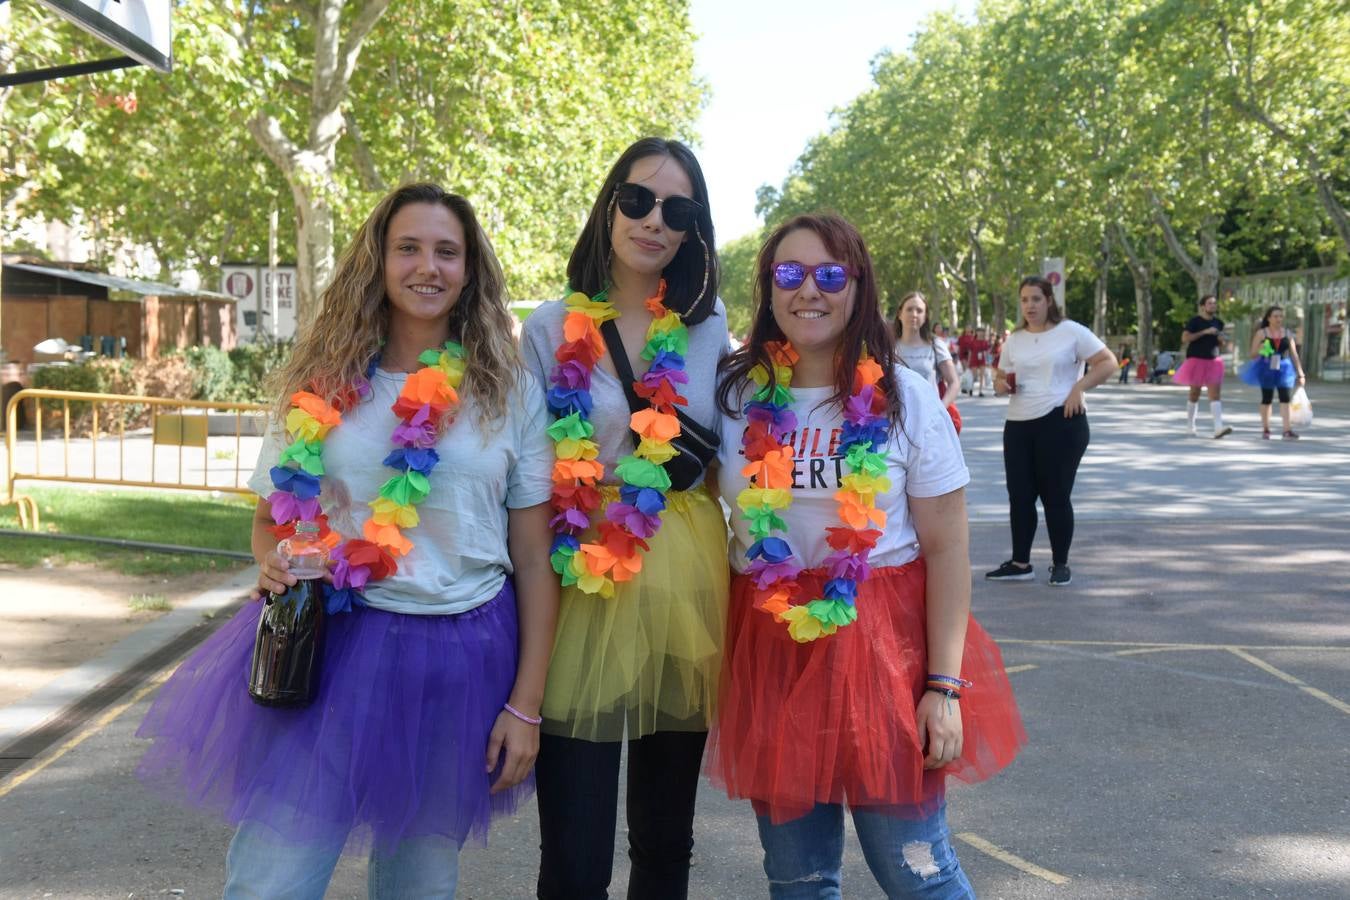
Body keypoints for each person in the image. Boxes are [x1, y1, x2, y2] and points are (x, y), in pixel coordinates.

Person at [136, 183, 559, 897]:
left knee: (420, 883)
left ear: (470, 269)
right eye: (408, 248)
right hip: (332, 646)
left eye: (447, 251)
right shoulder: (322, 380)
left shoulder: (509, 392)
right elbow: (271, 520)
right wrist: (272, 560)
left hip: (460, 658)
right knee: (272, 880)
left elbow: (534, 558)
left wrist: (525, 705)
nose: (428, 266)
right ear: (378, 261)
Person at [707, 213, 1024, 898]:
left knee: (918, 874)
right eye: (789, 273)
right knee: (798, 879)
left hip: (884, 651)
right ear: (768, 286)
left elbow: (948, 548)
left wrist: (944, 688)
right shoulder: (734, 395)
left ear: (859, 286)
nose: (808, 290)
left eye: (830, 274)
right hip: (773, 647)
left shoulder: (905, 396)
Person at [520, 137, 729, 899]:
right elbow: (524, 466)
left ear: (694, 229)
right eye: (638, 200)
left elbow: (735, 450)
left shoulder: (709, 326)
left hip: (684, 583)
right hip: (581, 577)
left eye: (678, 210)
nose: (654, 221)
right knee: (574, 856)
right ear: (609, 206)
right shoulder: (547, 328)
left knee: (665, 843)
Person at [985, 275, 1117, 586]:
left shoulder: (1070, 331)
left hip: (1061, 421)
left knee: (1055, 496)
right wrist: (1001, 386)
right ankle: (1020, 563)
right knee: (1020, 496)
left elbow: (1108, 362)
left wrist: (1078, 388)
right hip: (1018, 424)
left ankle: (1060, 564)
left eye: (1036, 299)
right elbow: (1000, 377)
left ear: (1048, 301)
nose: (1030, 305)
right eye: (1024, 300)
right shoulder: (1015, 339)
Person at [892, 290, 961, 429]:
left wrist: (939, 409)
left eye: (919, 310)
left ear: (925, 317)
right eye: (909, 309)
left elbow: (954, 382)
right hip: (896, 421)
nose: (914, 314)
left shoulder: (936, 345)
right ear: (900, 313)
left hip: (929, 422)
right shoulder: (888, 346)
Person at [1240, 305, 1305, 439]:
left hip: (1284, 368)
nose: (1278, 319)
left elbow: (1294, 354)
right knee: (1267, 398)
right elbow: (1252, 354)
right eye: (1275, 316)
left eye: (1280, 316)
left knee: (1285, 398)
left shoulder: (1287, 333)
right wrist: (1261, 349)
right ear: (1269, 318)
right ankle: (1266, 428)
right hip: (1266, 367)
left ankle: (1287, 430)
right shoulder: (1261, 333)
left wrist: (1300, 373)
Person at [1173, 294, 1233, 438]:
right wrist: (1205, 332)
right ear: (1202, 306)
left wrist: (1221, 340)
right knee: (1194, 393)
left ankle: (1218, 427)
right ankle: (1190, 426)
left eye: (1214, 303)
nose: (1213, 306)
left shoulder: (1219, 323)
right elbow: (1185, 338)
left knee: (1215, 395)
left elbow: (1221, 343)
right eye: (1210, 303)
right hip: (1196, 360)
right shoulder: (1195, 321)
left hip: (1214, 361)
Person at [969, 325, 991, 396]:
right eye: (979, 332)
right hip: (974, 359)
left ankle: (980, 391)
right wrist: (969, 361)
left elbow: (987, 352)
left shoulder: (985, 342)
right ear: (976, 333)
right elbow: (970, 352)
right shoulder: (973, 341)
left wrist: (988, 361)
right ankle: (971, 388)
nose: (980, 333)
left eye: (982, 332)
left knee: (982, 375)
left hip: (982, 359)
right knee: (974, 375)